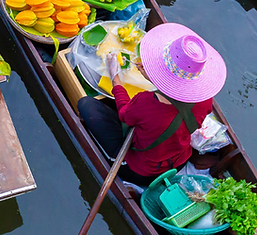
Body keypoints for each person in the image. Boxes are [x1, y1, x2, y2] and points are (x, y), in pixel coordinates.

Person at [78, 23, 226, 186]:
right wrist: (151, 77)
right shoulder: (205, 99)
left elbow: (124, 115)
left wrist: (115, 78)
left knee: (86, 105)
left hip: (141, 171)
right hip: (178, 162)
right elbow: (177, 104)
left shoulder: (147, 102)